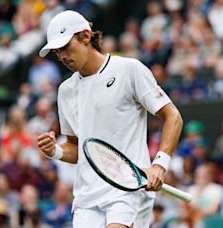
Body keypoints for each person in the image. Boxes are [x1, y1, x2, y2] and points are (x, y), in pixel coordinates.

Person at [37, 10, 183, 228]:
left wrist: (159, 166)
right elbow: (81, 149)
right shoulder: (65, 90)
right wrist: (54, 151)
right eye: (57, 52)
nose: (62, 56)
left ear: (86, 36)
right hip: (86, 197)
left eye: (65, 47)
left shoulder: (129, 69)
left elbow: (173, 116)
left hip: (128, 191)